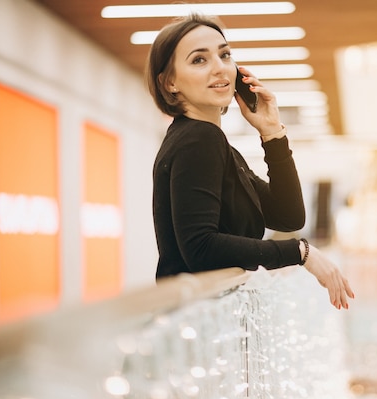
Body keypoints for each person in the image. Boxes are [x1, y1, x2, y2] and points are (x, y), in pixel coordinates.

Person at [146, 14, 354, 310]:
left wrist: (272, 133)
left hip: (201, 320)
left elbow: (288, 216)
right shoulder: (198, 139)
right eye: (199, 60)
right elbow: (201, 247)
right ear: (170, 83)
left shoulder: (209, 143)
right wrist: (300, 252)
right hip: (200, 321)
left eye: (224, 54)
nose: (219, 67)